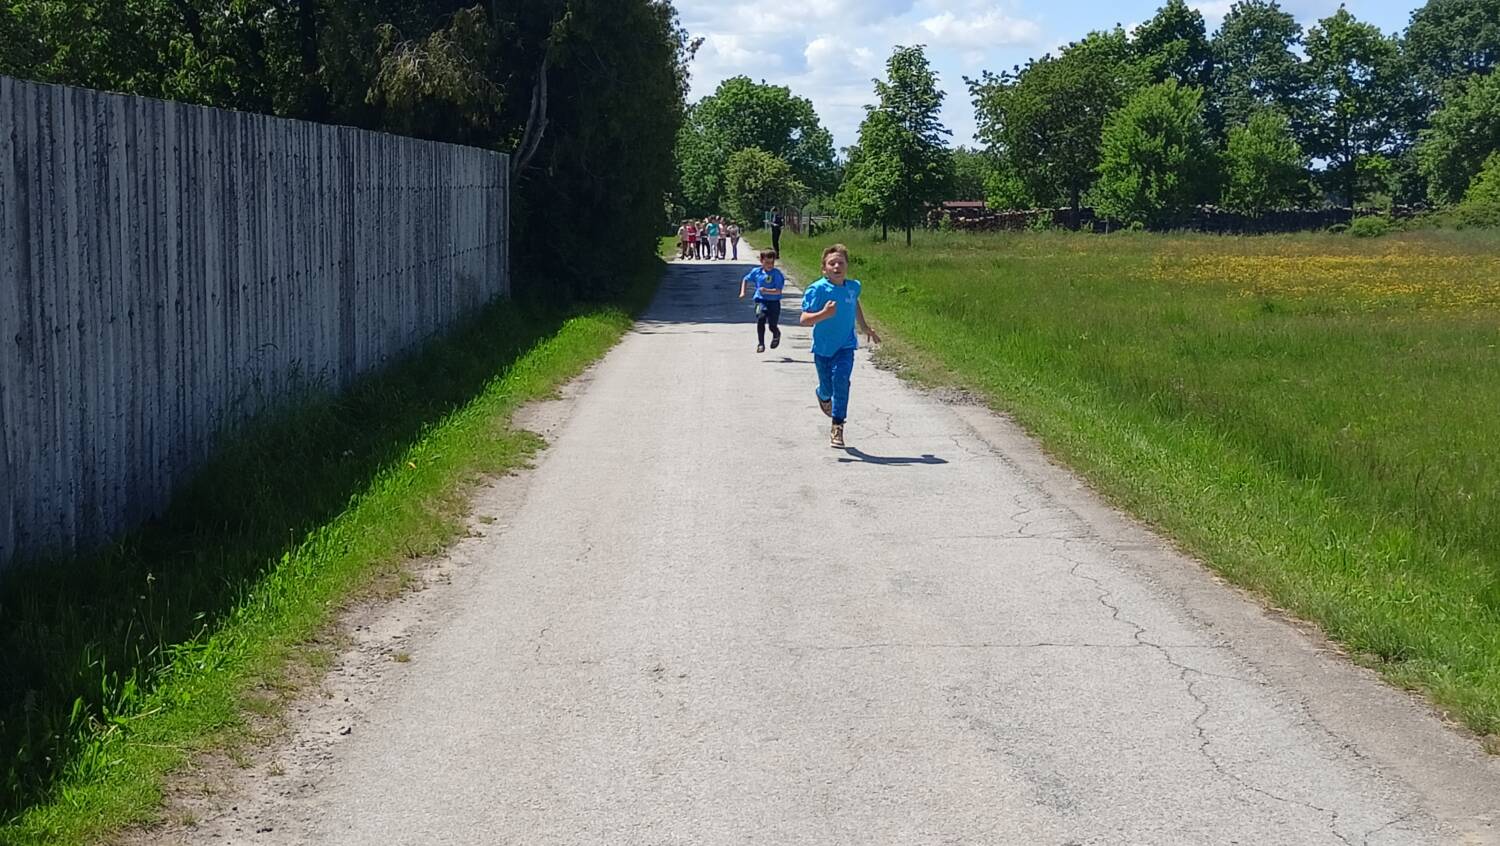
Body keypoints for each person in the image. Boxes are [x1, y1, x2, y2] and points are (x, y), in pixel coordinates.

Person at [800, 243, 879, 448]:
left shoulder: (853, 287)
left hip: (845, 346)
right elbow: (804, 319)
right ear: (824, 268)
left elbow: (854, 303)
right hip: (823, 348)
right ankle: (822, 395)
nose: (837, 267)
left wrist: (865, 327)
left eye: (841, 263)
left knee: (841, 381)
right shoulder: (817, 289)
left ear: (847, 266)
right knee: (827, 388)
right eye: (832, 263)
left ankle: (837, 426)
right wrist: (824, 314)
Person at [739, 249, 785, 353]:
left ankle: (776, 334)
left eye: (772, 263)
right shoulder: (756, 272)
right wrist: (743, 292)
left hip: (774, 302)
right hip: (759, 301)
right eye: (767, 262)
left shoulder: (776, 274)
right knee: (761, 319)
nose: (770, 265)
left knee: (772, 325)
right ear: (761, 261)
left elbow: (778, 291)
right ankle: (761, 344)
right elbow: (745, 279)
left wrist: (766, 290)